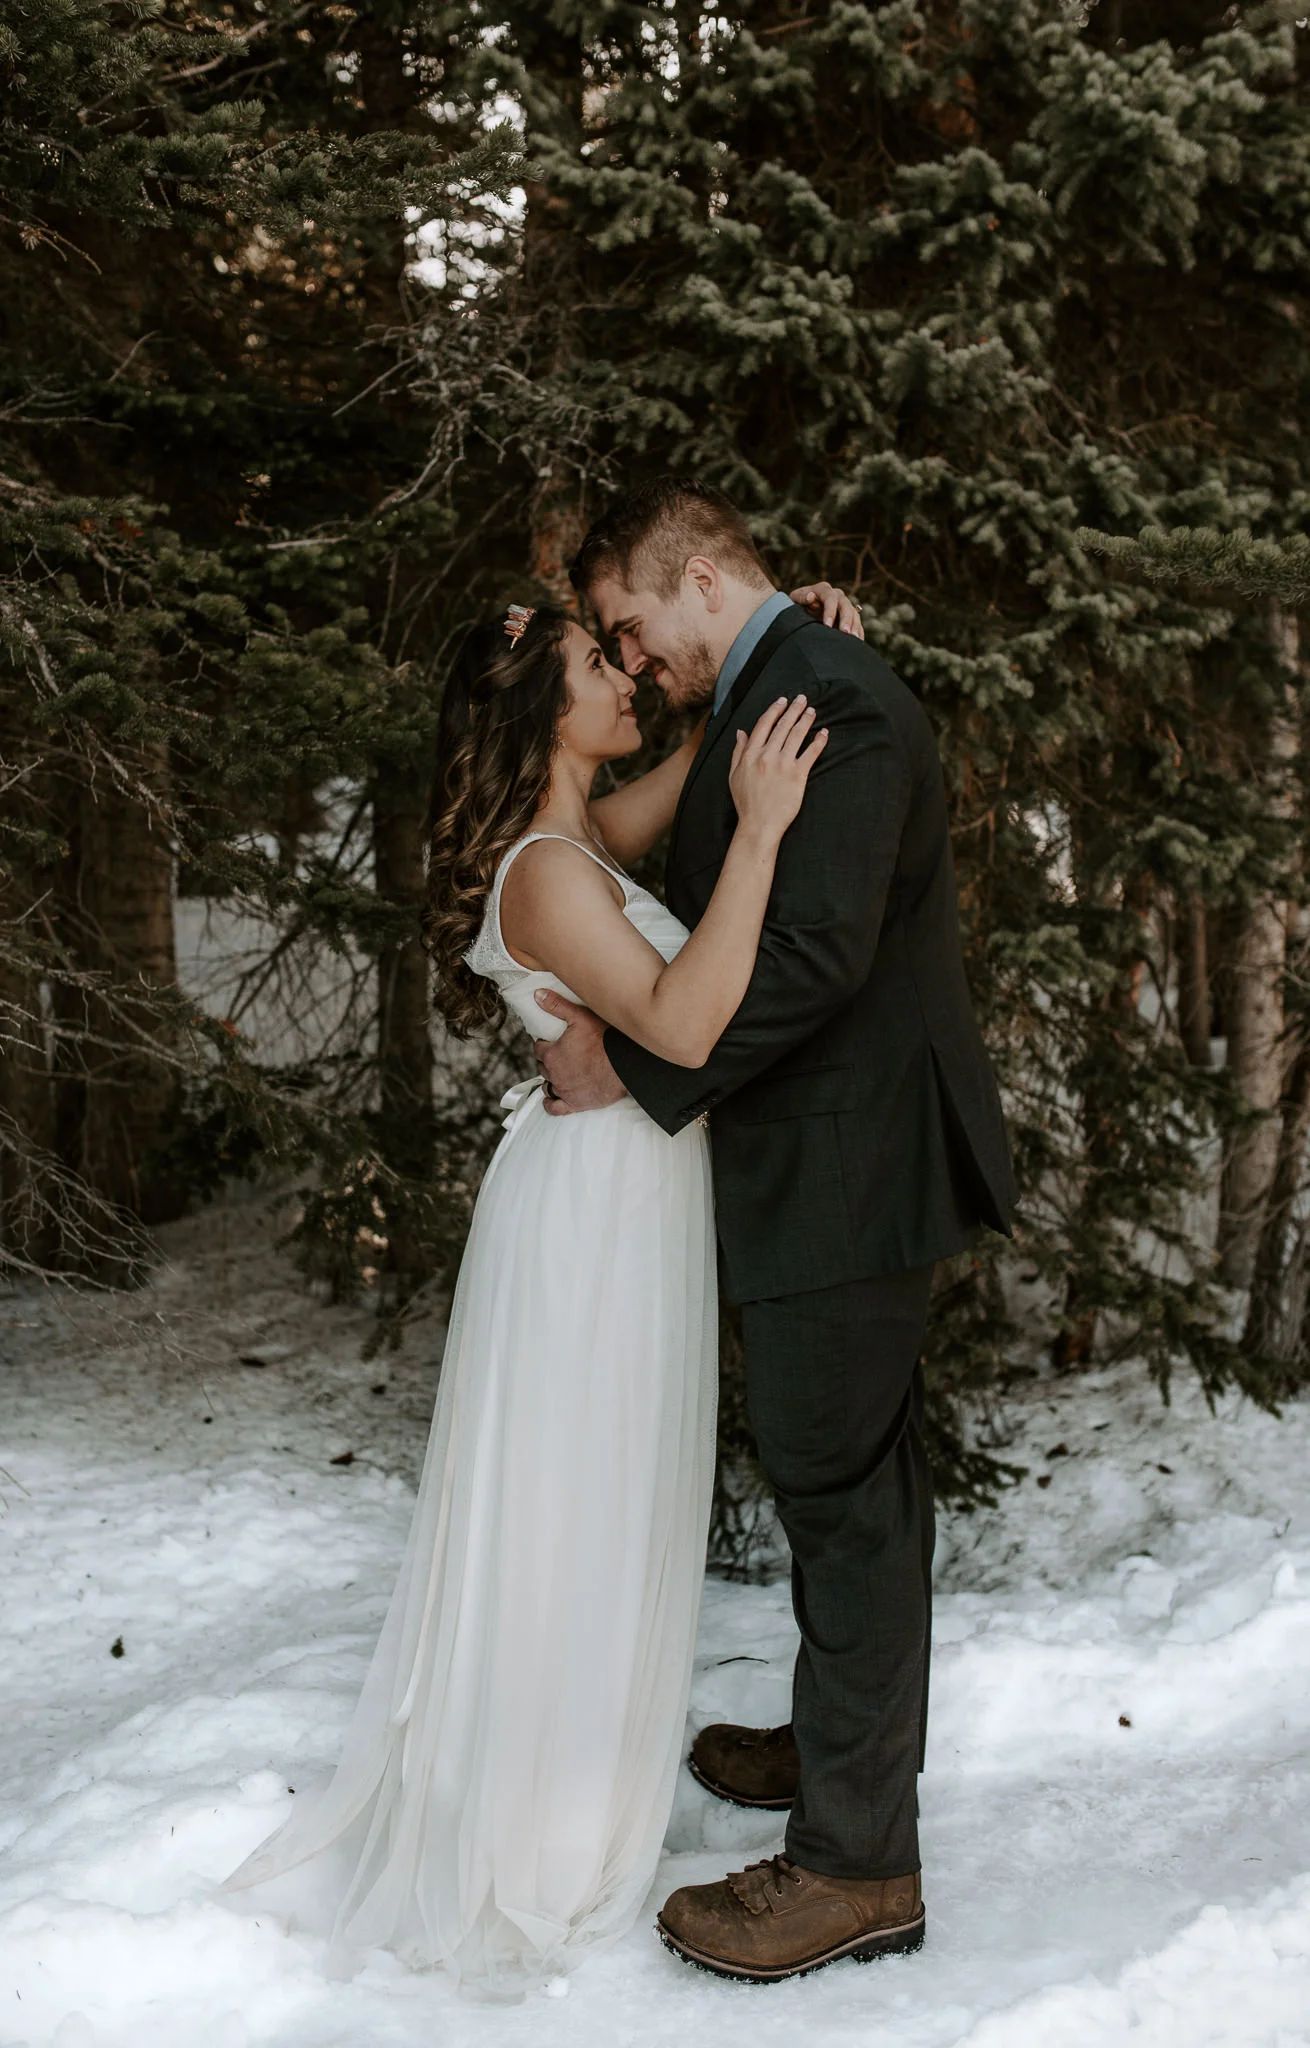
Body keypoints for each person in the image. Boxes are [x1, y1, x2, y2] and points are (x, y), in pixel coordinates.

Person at [221, 576, 858, 2002]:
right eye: (593, 663)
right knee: (579, 1499)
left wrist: (779, 649)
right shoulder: (548, 873)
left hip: (622, 1194)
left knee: (611, 1493)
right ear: (537, 704)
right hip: (593, 1217)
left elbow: (682, 766)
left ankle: (570, 1789)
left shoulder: (573, 832)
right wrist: (759, 833)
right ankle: (541, 1830)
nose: (624, 678)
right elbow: (687, 1017)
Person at [536, 476, 1018, 1984]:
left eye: (632, 625)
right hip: (823, 1159)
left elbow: (808, 962)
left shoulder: (834, 702)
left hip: (851, 1163)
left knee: (846, 1497)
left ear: (694, 580)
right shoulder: (777, 687)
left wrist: (630, 1053)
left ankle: (856, 1865)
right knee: (842, 1479)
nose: (633, 660)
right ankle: (837, 1751)